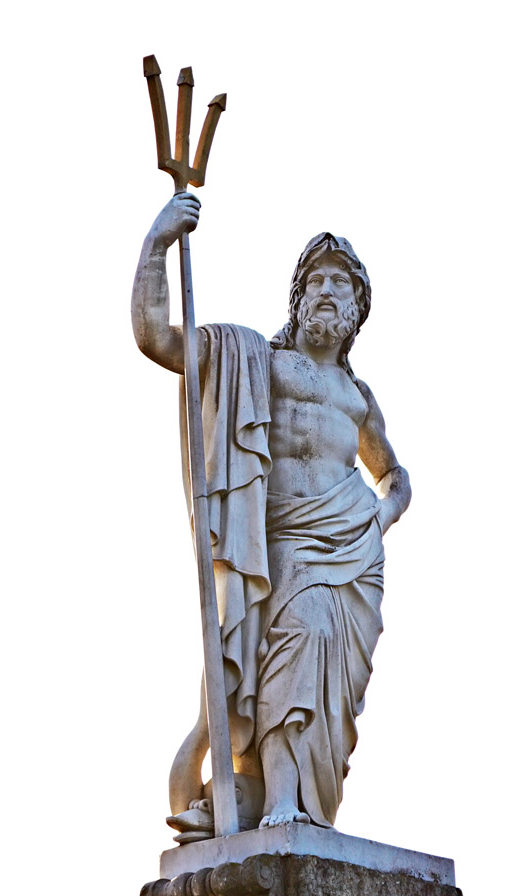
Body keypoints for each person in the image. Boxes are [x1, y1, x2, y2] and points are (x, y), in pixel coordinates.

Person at [131, 192, 411, 831]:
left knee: (330, 692)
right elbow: (158, 339)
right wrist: (157, 243)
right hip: (282, 541)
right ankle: (278, 803)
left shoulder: (359, 397)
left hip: (353, 553)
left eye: (341, 282)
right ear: (299, 296)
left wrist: (380, 516)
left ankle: (302, 805)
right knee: (294, 648)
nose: (327, 291)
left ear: (358, 307)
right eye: (316, 280)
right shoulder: (256, 361)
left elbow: (396, 475)